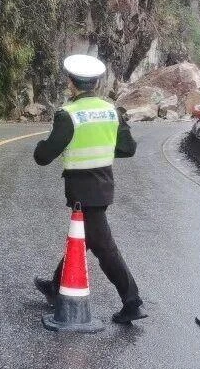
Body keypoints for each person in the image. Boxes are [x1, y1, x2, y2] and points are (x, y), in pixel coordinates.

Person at [32, 53, 146, 324]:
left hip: (82, 193)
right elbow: (128, 149)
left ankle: (132, 301)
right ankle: (55, 286)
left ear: (71, 83)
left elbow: (44, 156)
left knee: (103, 246)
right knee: (82, 238)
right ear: (96, 83)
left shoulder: (68, 114)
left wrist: (40, 146)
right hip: (103, 185)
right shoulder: (112, 111)